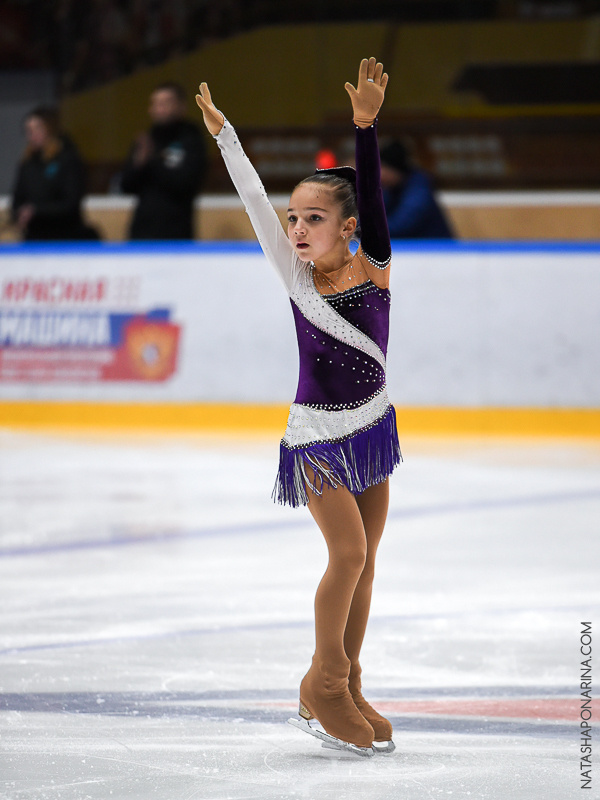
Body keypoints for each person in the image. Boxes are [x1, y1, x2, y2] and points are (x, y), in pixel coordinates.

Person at [195, 57, 401, 757]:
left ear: (348, 229)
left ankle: (350, 678)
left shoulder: (373, 265)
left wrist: (365, 131)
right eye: (293, 219)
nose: (297, 228)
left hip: (372, 429)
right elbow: (254, 200)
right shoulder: (294, 276)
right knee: (346, 555)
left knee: (368, 562)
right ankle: (327, 684)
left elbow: (371, 197)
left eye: (314, 218)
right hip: (315, 437)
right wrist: (228, 141)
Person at [121, 82, 207, 239]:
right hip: (141, 232)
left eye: (165, 103)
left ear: (181, 106)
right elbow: (126, 185)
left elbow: (187, 182)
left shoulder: (191, 139)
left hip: (177, 233)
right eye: (155, 103)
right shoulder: (146, 140)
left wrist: (153, 162)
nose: (159, 109)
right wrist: (139, 164)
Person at [11, 106, 97, 241]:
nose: (32, 134)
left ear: (50, 129)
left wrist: (36, 210)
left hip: (65, 237)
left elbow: (70, 203)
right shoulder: (27, 164)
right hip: (35, 237)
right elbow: (17, 200)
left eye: (37, 128)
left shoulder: (68, 160)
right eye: (28, 130)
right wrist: (19, 213)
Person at [380, 139, 454, 239]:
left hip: (436, 249)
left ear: (390, 169)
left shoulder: (419, 189)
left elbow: (402, 226)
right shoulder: (389, 188)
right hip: (410, 248)